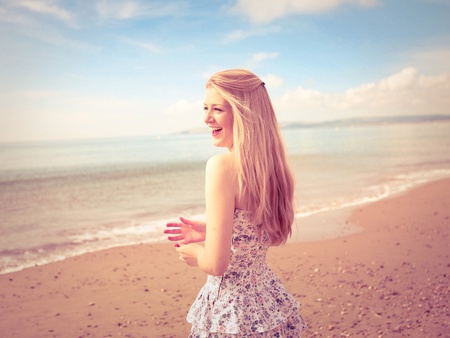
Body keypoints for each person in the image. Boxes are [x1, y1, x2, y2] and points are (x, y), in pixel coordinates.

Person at [164, 69, 306, 337]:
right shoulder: (272, 168)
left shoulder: (221, 166)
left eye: (217, 109)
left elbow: (217, 265)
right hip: (268, 303)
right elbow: (266, 234)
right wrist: (212, 230)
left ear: (244, 115)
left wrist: (194, 253)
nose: (206, 118)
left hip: (233, 313)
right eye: (205, 108)